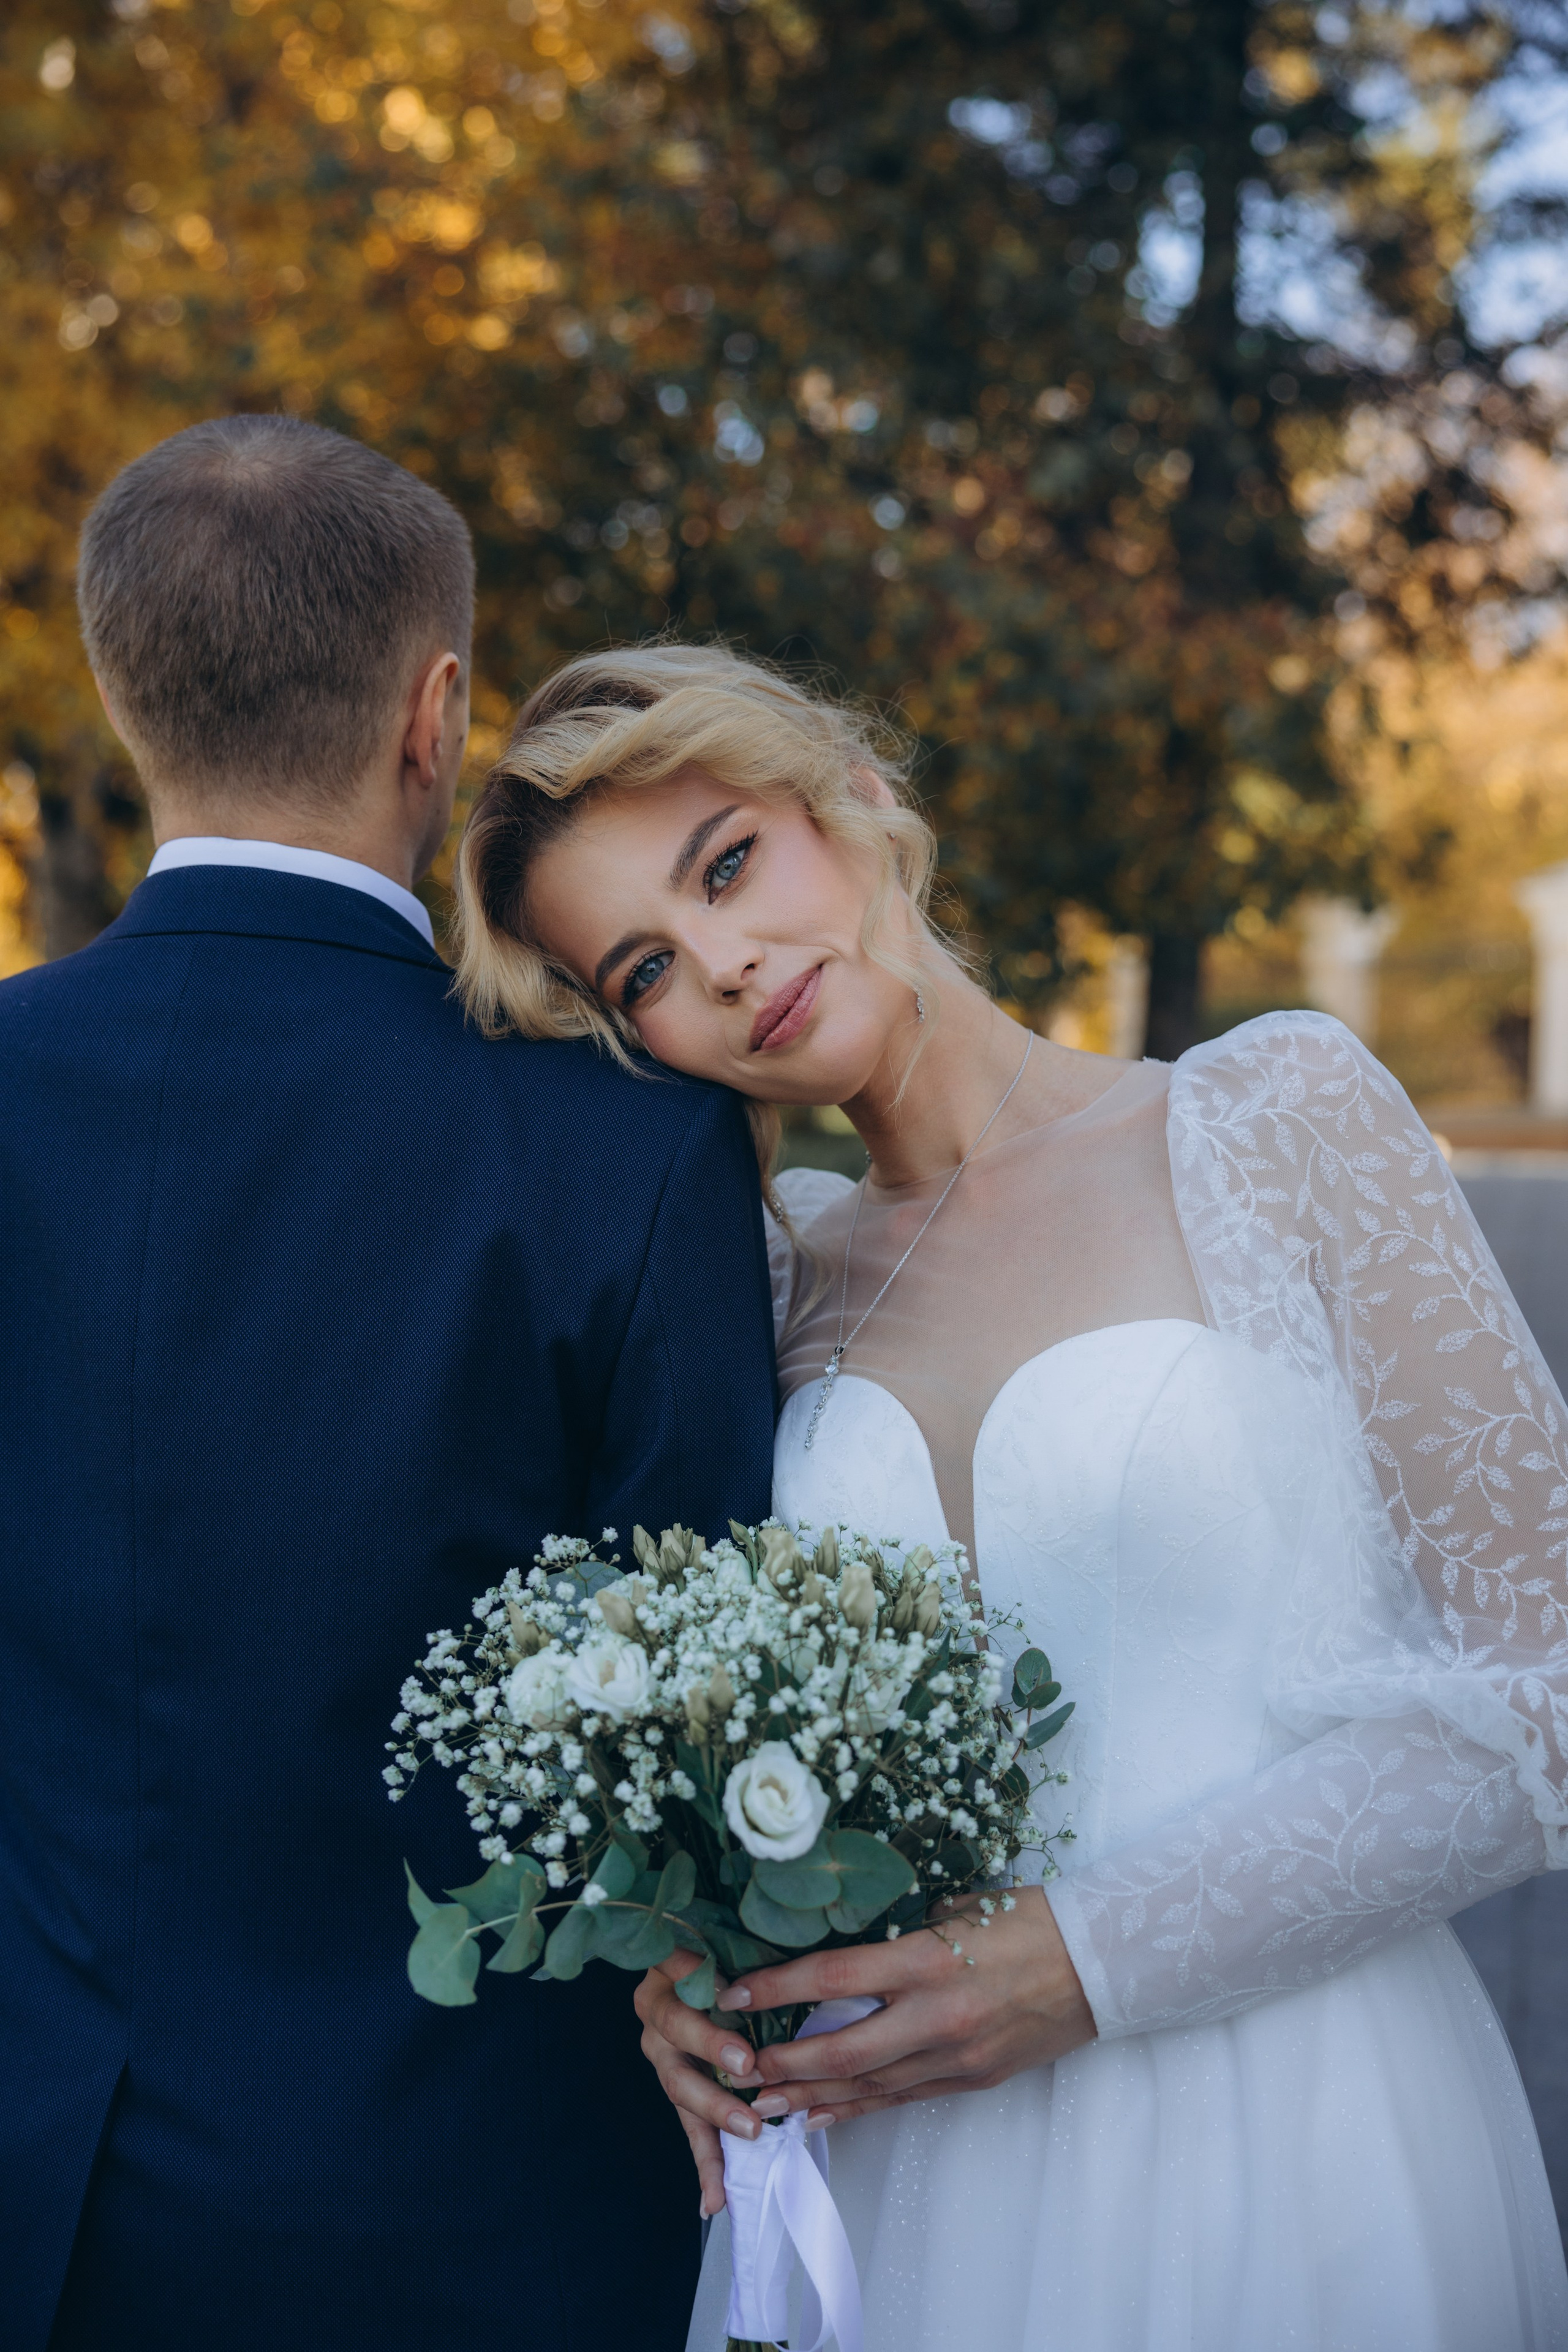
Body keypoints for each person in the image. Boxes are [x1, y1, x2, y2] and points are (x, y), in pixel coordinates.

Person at [454, 637, 1568, 2352]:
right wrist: (675, 1965)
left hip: (1295, 2130)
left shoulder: (1277, 1119)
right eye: (649, 967)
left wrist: (1087, 1962)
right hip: (904, 2185)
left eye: (732, 861)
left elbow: (1547, 1695)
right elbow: (739, 1761)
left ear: (860, 802)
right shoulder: (762, 1287)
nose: (733, 966)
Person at [0, 421, 776, 2352]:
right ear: (436, 716)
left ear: (123, 694)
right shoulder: (621, 1142)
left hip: (46, 2205)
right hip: (498, 2222)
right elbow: (694, 1720)